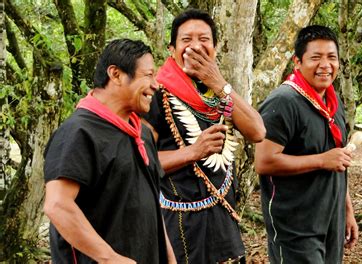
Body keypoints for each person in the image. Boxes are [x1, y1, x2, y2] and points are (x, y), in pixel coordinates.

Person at [143, 9, 266, 263]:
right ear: (172, 49)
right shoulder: (156, 94)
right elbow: (140, 161)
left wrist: (217, 82)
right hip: (179, 226)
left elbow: (257, 131)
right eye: (186, 40)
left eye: (204, 39)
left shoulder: (219, 91)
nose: (196, 47)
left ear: (215, 47)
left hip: (224, 223)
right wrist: (192, 152)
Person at [43, 39, 176, 263]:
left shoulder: (142, 134)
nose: (156, 84)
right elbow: (57, 205)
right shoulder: (78, 133)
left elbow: (152, 205)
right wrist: (109, 258)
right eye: (148, 75)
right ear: (115, 74)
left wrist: (170, 259)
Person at [255, 25, 359, 263]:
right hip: (295, 227)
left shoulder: (332, 101)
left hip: (330, 223)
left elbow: (339, 160)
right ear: (298, 62)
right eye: (316, 57)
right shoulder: (283, 102)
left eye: (332, 57)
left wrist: (347, 211)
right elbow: (263, 161)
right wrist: (322, 160)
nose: (325, 65)